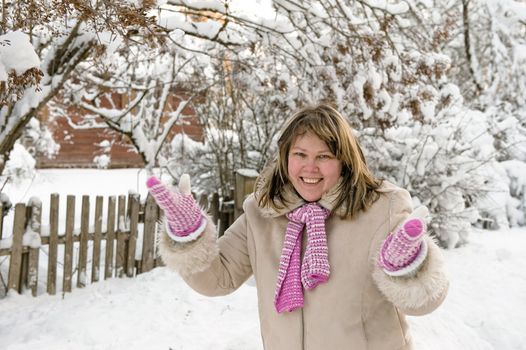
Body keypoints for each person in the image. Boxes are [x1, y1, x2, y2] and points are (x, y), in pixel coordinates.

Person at [146, 104, 448, 350]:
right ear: (285, 158)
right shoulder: (262, 211)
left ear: (344, 160)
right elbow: (217, 279)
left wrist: (408, 270)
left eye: (324, 157)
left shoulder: (382, 208)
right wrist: (189, 238)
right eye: (300, 155)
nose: (310, 168)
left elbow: (426, 304)